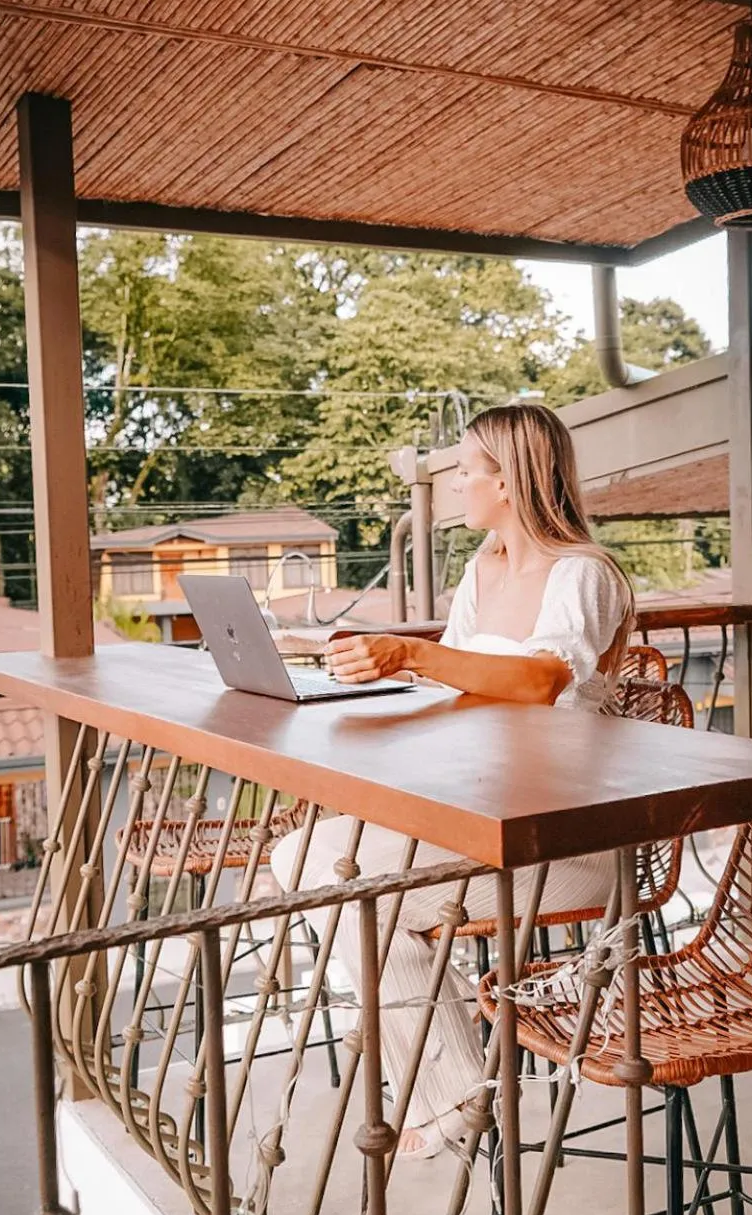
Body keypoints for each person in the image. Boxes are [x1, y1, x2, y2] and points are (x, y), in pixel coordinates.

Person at [270, 404, 634, 1157]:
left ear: (509, 480)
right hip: (479, 809)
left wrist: (411, 654)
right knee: (298, 858)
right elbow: (462, 691)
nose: (457, 484)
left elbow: (538, 681)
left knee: (350, 893)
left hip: (564, 838)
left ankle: (447, 1089)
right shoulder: (484, 569)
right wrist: (370, 690)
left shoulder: (585, 576)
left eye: (467, 469)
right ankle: (456, 1083)